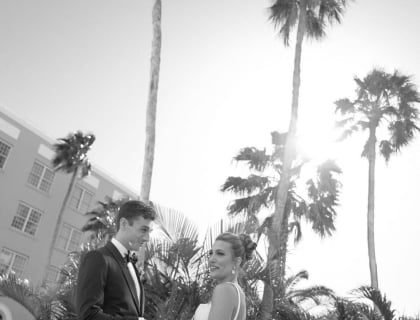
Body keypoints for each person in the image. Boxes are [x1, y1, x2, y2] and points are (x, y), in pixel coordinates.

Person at [76, 200, 156, 320]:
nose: (147, 238)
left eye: (149, 232)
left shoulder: (132, 266)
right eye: (143, 230)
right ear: (123, 224)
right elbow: (88, 315)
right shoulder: (98, 258)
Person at [193, 232, 257, 320]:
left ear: (237, 262)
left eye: (220, 253)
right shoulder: (238, 293)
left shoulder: (225, 290)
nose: (211, 259)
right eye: (211, 253)